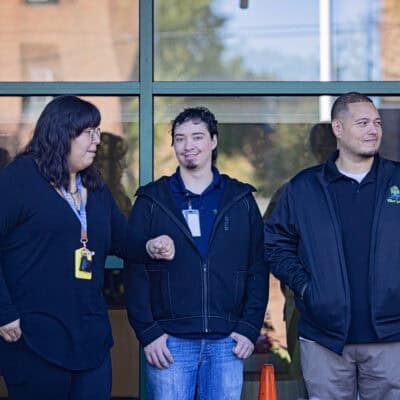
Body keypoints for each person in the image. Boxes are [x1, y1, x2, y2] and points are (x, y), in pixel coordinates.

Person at [0, 95, 174, 400]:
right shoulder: (19, 180)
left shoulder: (94, 187)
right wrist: (3, 312)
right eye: (88, 133)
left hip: (90, 339)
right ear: (61, 133)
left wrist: (149, 247)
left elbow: (121, 240)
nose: (96, 141)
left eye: (97, 132)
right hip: (33, 337)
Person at [125, 106, 268, 400]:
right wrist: (148, 331)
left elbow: (257, 268)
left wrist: (249, 326)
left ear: (214, 141)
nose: (188, 146)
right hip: (170, 343)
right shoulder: (152, 201)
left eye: (197, 137)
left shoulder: (240, 200)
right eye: (180, 138)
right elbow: (134, 268)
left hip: (227, 341)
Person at [265, 92, 400, 399]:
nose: (373, 130)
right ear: (338, 129)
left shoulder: (397, 181)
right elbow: (274, 244)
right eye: (362, 122)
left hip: (392, 337)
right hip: (324, 338)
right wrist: (305, 287)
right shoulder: (304, 188)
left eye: (376, 122)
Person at [262, 122, 336, 378]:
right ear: (313, 150)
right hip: (302, 298)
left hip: (359, 304)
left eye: (330, 144)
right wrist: (300, 281)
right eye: (321, 145)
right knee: (304, 373)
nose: (326, 150)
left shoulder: (367, 188)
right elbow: (268, 241)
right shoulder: (294, 190)